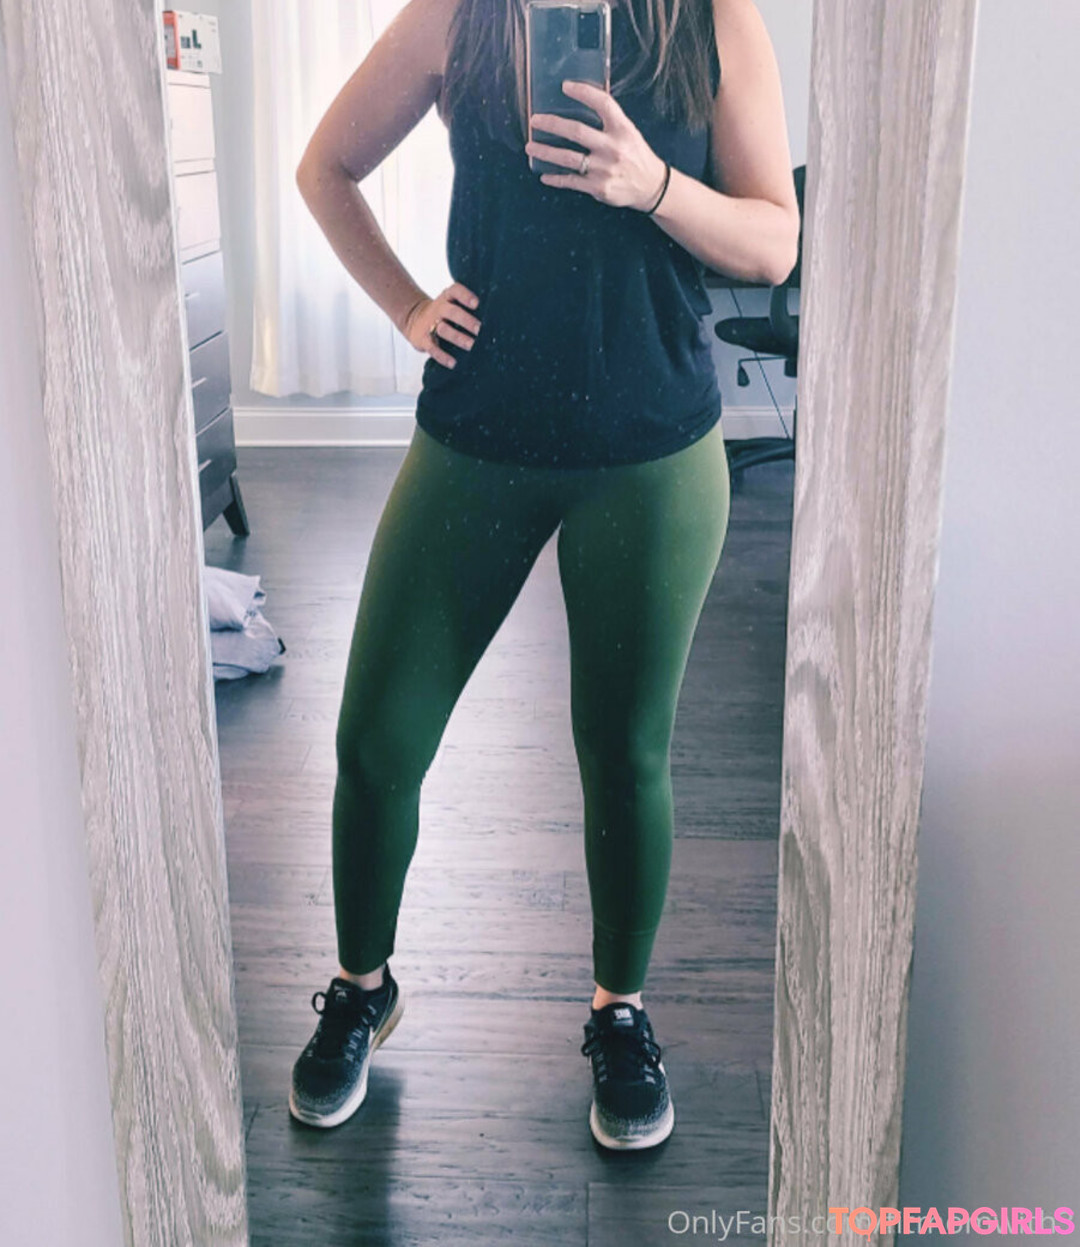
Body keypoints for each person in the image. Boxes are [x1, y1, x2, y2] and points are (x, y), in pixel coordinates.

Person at [288, 0, 798, 1150]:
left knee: (624, 756)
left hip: (651, 450)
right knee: (375, 743)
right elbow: (326, 167)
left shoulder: (713, 19)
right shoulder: (456, 15)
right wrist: (407, 306)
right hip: (478, 434)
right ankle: (362, 984)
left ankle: (621, 1010)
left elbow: (776, 241)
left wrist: (651, 185)